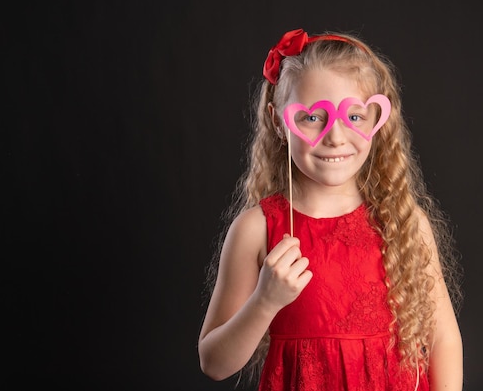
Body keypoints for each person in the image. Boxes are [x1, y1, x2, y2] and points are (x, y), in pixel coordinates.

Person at [198, 28, 463, 391]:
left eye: (354, 117)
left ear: (377, 120)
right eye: (312, 117)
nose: (335, 136)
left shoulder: (402, 223)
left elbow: (443, 340)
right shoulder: (257, 229)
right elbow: (213, 363)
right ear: (279, 122)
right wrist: (265, 301)